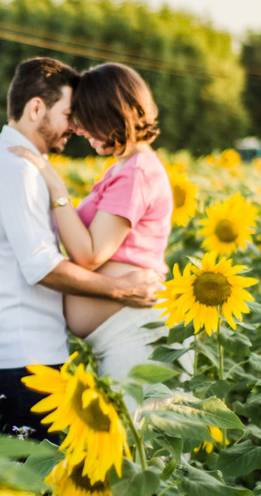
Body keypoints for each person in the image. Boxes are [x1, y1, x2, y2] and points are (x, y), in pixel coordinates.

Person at [0, 57, 162, 441]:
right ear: (36, 107)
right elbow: (43, 267)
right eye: (69, 114)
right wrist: (124, 290)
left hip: (24, 354)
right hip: (19, 357)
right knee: (32, 486)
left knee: (28, 483)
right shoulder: (16, 170)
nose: (76, 126)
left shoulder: (24, 165)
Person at [9, 62, 183, 388]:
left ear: (110, 114)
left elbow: (90, 254)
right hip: (125, 338)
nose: (78, 128)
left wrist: (55, 187)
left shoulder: (137, 173)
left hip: (139, 338)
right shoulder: (124, 169)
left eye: (85, 118)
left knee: (138, 437)